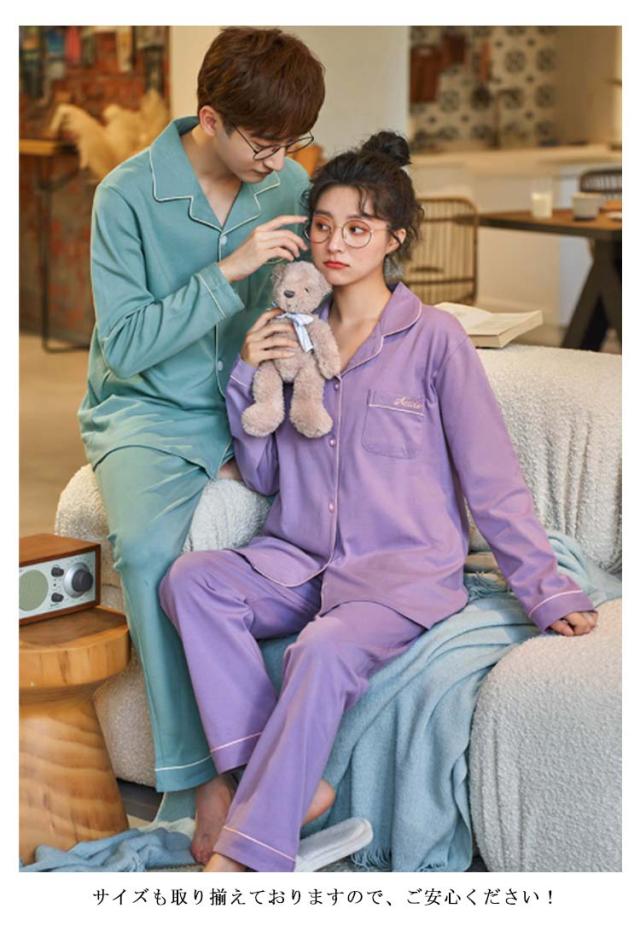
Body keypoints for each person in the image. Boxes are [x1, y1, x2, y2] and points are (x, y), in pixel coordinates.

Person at [158, 131, 599, 873]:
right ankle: (280, 782)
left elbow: (492, 479)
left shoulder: (435, 341)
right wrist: (246, 374)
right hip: (297, 559)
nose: (335, 244)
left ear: (394, 239)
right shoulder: (295, 338)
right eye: (323, 226)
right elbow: (264, 474)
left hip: (397, 575)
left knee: (322, 647)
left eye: (358, 229)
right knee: (190, 580)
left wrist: (545, 588)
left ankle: (245, 857)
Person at [77, 27, 326, 829]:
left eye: (294, 142)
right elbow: (125, 345)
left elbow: (306, 299)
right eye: (265, 142)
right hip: (147, 409)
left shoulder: (288, 184)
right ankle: (198, 783)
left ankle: (291, 759)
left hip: (249, 401)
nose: (279, 160)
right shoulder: (125, 195)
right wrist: (229, 270)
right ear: (210, 118)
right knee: (149, 550)